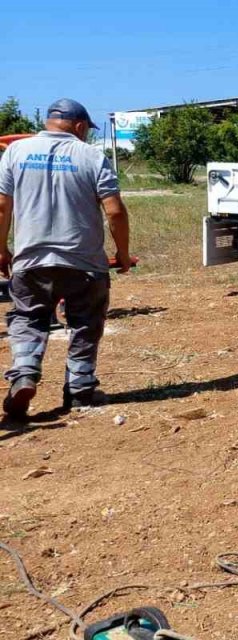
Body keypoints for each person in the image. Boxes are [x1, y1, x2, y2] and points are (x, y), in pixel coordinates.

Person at [0, 98, 130, 419]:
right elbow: (114, 210)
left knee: (29, 318)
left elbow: (2, 206)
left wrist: (1, 249)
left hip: (31, 259)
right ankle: (79, 389)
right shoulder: (92, 156)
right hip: (83, 262)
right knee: (86, 322)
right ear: (80, 126)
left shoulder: (15, 152)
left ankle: (25, 373)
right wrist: (123, 254)